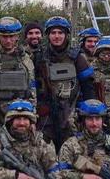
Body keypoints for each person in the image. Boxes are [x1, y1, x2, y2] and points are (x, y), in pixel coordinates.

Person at [34, 16, 95, 151]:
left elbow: (88, 88)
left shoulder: (77, 57)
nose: (57, 36)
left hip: (70, 114)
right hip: (46, 116)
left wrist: (88, 113)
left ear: (66, 35)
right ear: (48, 35)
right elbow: (34, 86)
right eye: (53, 33)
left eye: (60, 33)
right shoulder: (39, 56)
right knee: (44, 152)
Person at [0, 17, 37, 135]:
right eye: (4, 37)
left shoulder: (25, 59)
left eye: (11, 36)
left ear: (17, 37)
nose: (8, 40)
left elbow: (32, 89)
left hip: (21, 115)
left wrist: (33, 115)